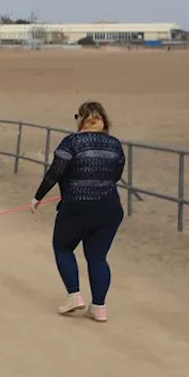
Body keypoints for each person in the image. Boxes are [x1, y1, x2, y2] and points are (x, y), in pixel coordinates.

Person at [30, 101, 126, 323]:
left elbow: (56, 171)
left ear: (80, 119)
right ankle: (99, 307)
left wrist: (38, 197)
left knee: (62, 247)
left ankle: (74, 295)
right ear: (103, 120)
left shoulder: (71, 142)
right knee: (97, 257)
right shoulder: (115, 144)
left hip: (77, 207)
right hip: (109, 208)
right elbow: (116, 174)